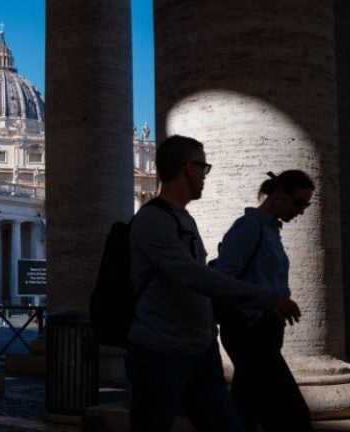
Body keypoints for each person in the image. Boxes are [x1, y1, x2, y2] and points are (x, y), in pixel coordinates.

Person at [126, 135, 302, 432]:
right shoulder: (152, 221)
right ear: (189, 168)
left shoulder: (183, 218)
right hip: (160, 352)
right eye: (204, 167)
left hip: (199, 349)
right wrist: (265, 299)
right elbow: (195, 276)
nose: (206, 176)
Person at [213, 170, 315, 432]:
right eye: (299, 202)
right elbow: (223, 277)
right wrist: (255, 309)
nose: (302, 211)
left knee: (248, 410)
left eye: (307, 204)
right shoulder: (249, 227)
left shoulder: (271, 231)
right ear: (279, 193)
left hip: (266, 333)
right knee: (293, 416)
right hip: (250, 334)